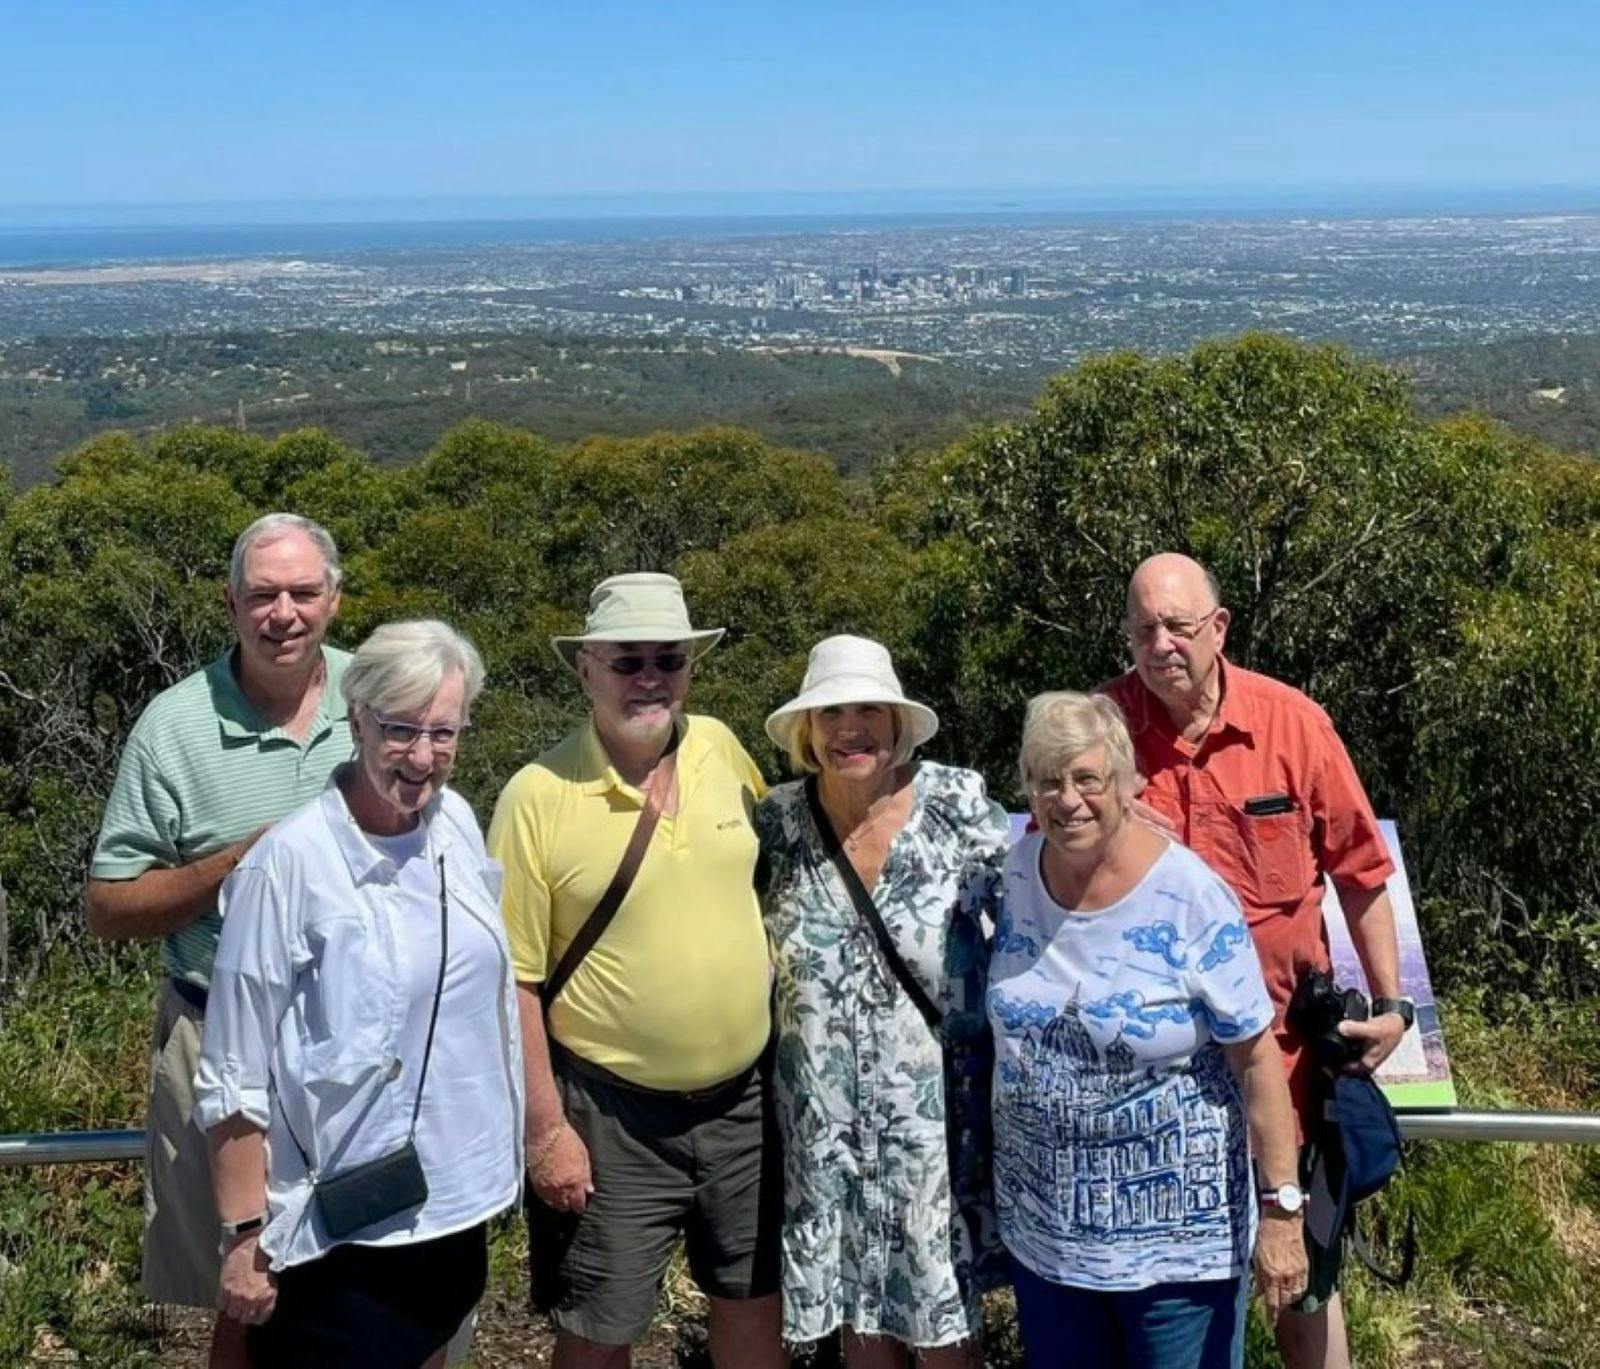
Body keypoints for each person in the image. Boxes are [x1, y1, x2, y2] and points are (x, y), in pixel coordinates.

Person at [1102, 553, 1407, 1369]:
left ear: (1219, 627)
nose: (1161, 645)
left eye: (1178, 626)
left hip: (1286, 1067)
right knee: (1171, 1305)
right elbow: (1045, 863)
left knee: (1300, 1279)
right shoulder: (1097, 730)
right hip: (1148, 1086)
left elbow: (1361, 871)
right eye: (1143, 629)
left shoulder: (1294, 725)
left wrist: (1393, 1005)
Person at [192, 619, 523, 1368]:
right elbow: (234, 1067)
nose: (422, 756)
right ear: (357, 720)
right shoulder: (287, 865)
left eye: (444, 732)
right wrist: (244, 1235)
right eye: (400, 729)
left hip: (453, 1203)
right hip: (340, 1226)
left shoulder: (456, 823)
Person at [487, 572, 784, 1369]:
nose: (650, 677)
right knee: (598, 1329)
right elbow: (513, 980)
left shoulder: (722, 748)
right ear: (586, 669)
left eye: (669, 659)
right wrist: (546, 1131)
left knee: (755, 1308)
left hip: (745, 1105)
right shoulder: (536, 796)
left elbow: (773, 874)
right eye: (628, 661)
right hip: (610, 1116)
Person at [86, 512, 349, 1368]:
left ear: (335, 599)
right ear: (231, 603)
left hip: (357, 1042)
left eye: (302, 591)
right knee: (244, 1288)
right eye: (263, 594)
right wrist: (235, 864)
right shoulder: (175, 726)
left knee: (360, 1280)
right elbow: (108, 906)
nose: (284, 613)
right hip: (218, 1037)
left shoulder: (380, 697)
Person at [988, 691, 1307, 1369]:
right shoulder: (1014, 874)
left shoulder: (1190, 895)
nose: (1067, 800)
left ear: (1127, 783)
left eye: (1087, 778)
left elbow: (1257, 1059)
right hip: (1046, 1239)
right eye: (1047, 781)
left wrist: (1282, 1211)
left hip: (1176, 1255)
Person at [755, 635, 1010, 1366]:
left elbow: (1038, 894)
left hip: (933, 1133)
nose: (850, 729)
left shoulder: (955, 805)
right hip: (825, 1134)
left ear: (897, 722)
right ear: (808, 730)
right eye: (831, 712)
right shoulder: (775, 825)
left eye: (869, 709)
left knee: (943, 1336)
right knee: (860, 1323)